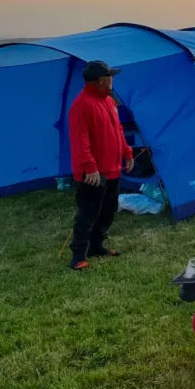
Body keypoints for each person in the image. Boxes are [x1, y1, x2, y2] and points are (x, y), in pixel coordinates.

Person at [67, 60, 133, 270]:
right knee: (88, 213)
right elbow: (80, 141)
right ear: (101, 80)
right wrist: (90, 168)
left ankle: (97, 247)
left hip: (113, 169)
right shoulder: (82, 105)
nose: (113, 79)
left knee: (108, 210)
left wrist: (127, 153)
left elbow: (118, 131)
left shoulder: (109, 102)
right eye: (111, 76)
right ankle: (78, 256)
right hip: (94, 174)